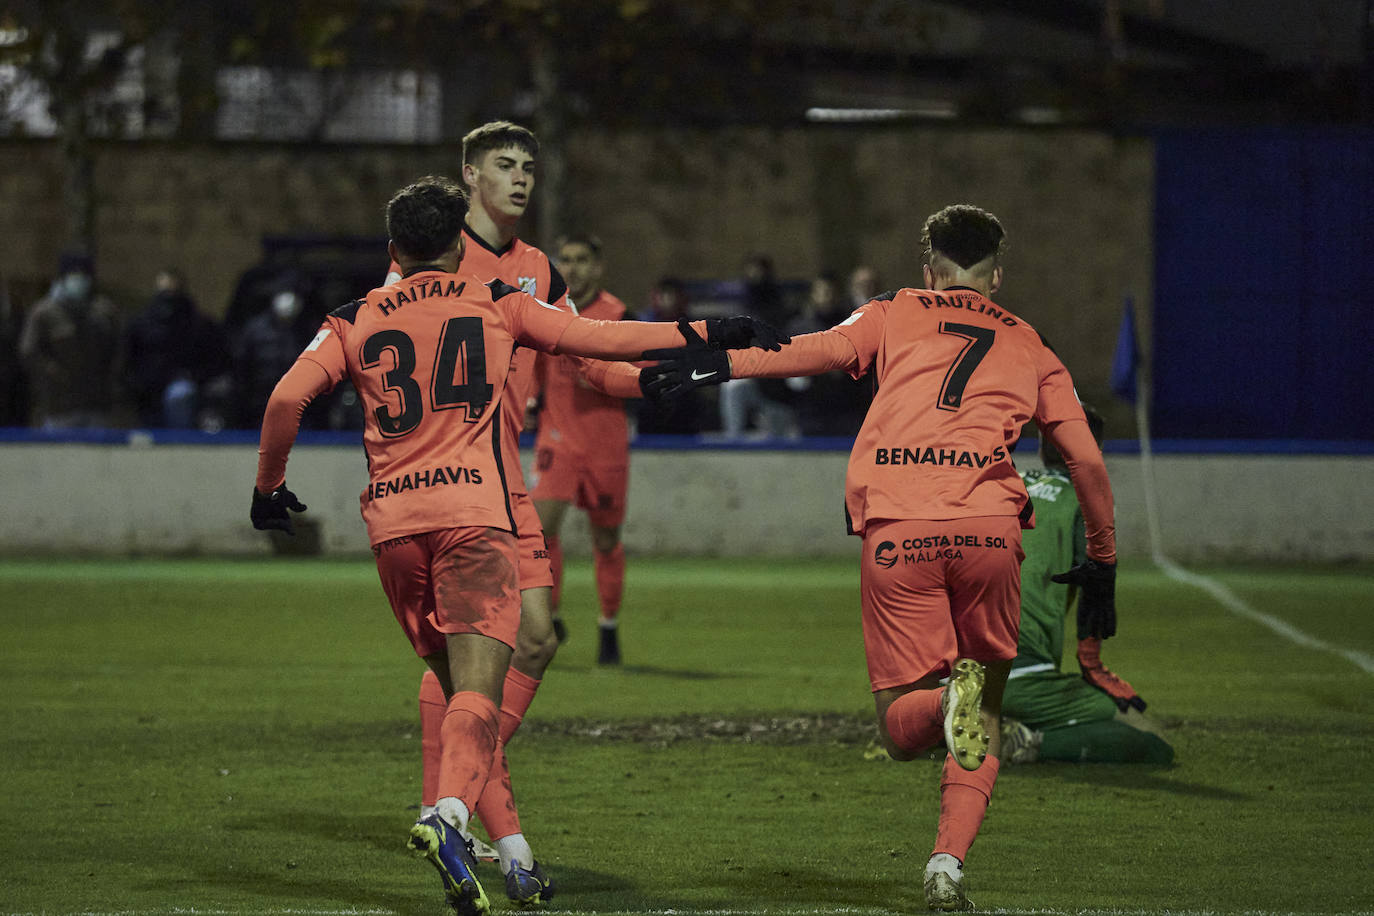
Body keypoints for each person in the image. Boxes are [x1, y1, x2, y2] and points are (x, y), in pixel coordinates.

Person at [251, 176, 781, 913]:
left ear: (394, 249)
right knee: (479, 696)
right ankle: (448, 819)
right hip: (475, 514)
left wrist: (269, 488)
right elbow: (595, 338)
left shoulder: (352, 316)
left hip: (396, 528)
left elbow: (284, 398)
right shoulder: (495, 299)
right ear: (457, 244)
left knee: (459, 691)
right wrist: (701, 333)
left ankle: (511, 856)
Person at [645, 204, 1118, 911]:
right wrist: (1104, 561)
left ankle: (938, 702)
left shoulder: (893, 311)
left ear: (929, 271)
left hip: (901, 531)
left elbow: (814, 351)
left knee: (904, 727)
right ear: (996, 275)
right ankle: (946, 865)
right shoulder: (1033, 345)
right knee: (986, 711)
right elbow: (1084, 458)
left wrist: (719, 366)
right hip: (990, 533)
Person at [1000, 407, 1173, 765]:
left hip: (950, 664)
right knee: (1151, 741)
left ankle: (940, 723)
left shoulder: (1005, 483)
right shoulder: (1085, 503)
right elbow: (1095, 588)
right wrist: (1093, 667)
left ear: (1042, 446)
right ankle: (1029, 743)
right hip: (1019, 669)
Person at [530, 233, 634, 664]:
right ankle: (548, 619)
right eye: (565, 259)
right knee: (539, 530)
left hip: (605, 443)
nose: (571, 268)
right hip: (557, 439)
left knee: (605, 539)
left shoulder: (619, 316)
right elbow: (531, 365)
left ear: (597, 267)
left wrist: (601, 373)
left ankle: (608, 626)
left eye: (580, 260)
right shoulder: (545, 312)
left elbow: (639, 372)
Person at [19, 252, 122, 429]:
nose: (79, 281)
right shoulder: (44, 313)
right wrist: (52, 373)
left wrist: (110, 380)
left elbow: (119, 350)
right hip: (58, 406)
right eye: (74, 276)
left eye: (84, 276)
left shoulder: (105, 312)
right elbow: (30, 351)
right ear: (63, 278)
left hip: (96, 405)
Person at [124, 269, 229, 428]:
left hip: (186, 388)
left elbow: (215, 360)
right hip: (148, 391)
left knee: (180, 394)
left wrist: (192, 376)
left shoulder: (199, 324)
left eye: (172, 290)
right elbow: (131, 358)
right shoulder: (142, 324)